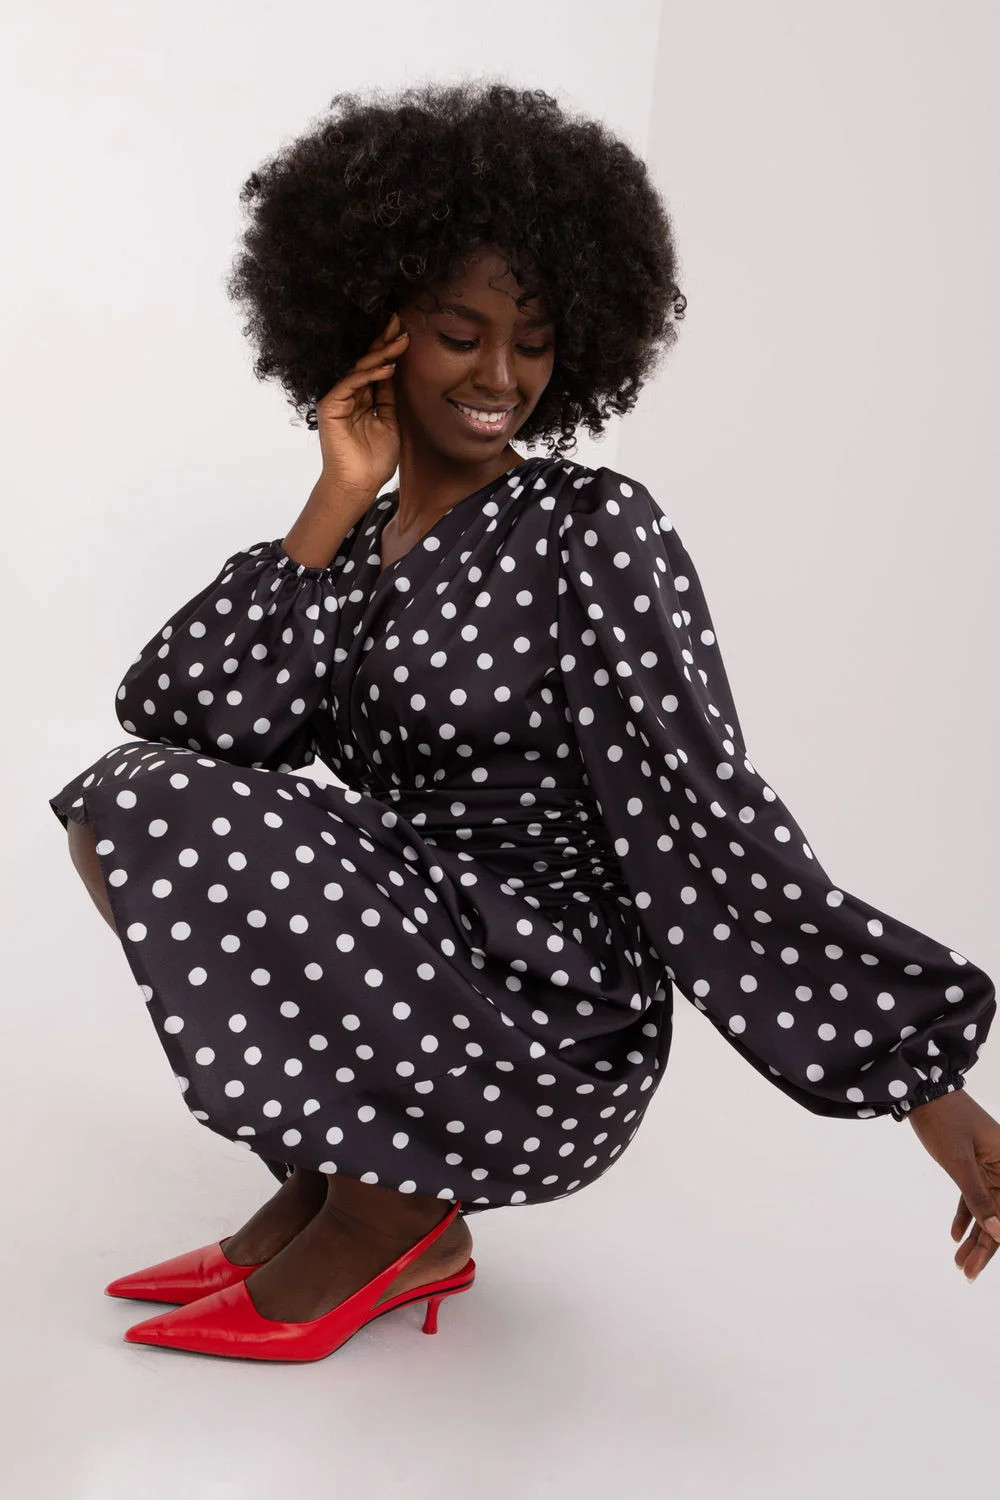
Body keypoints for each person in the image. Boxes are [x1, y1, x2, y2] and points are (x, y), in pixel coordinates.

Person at [49, 81, 1000, 1364]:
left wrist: (922, 1084)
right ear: (375, 328)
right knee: (132, 799)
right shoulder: (358, 551)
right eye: (460, 333)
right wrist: (334, 500)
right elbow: (183, 717)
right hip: (423, 951)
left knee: (149, 802)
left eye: (535, 343)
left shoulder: (589, 529)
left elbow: (701, 813)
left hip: (548, 1015)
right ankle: (347, 1191)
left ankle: (388, 1210)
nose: (501, 376)